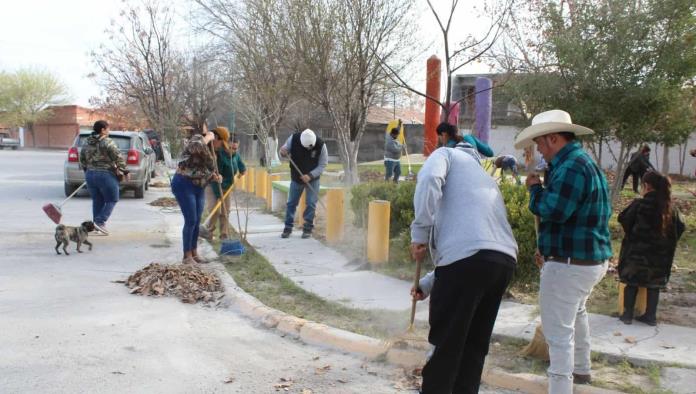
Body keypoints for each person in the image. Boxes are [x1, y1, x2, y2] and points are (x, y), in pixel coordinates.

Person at [409, 130, 518, 393]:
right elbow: (477, 247)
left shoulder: (446, 154)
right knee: (473, 347)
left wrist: (420, 233)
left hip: (469, 263)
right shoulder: (485, 176)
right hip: (502, 263)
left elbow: (430, 178)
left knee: (446, 345)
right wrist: (429, 282)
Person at [514, 109, 612, 393]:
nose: (541, 152)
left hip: (571, 265)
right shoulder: (579, 163)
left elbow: (553, 210)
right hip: (583, 259)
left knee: (558, 334)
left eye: (542, 144)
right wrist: (547, 249)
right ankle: (582, 370)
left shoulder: (571, 167)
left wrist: (534, 189)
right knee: (577, 314)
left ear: (554, 138)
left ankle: (560, 387)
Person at [618, 171, 685, 326]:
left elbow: (623, 219)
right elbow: (680, 226)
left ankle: (627, 315)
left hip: (637, 254)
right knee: (654, 285)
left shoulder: (639, 205)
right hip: (661, 257)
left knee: (632, 282)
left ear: (646, 186)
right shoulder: (670, 208)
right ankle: (650, 316)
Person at [171, 125, 221, 264]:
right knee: (191, 219)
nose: (222, 146)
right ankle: (186, 256)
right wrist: (208, 137)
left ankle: (194, 253)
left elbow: (202, 170)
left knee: (197, 220)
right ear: (216, 138)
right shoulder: (198, 140)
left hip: (199, 187)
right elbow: (196, 146)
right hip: (184, 184)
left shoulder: (211, 152)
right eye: (221, 142)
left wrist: (214, 177)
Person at [79, 120, 129, 235]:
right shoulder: (107, 142)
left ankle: (96, 227)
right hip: (105, 174)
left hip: (90, 175)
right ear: (102, 130)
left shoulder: (87, 141)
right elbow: (118, 157)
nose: (109, 131)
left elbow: (82, 158)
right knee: (112, 199)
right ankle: (100, 222)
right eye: (108, 128)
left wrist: (88, 171)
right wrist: (125, 171)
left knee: (97, 200)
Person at [279, 128, 328, 239]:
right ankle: (288, 228)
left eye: (310, 147)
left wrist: (310, 175)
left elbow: (323, 165)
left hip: (313, 179)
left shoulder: (321, 145)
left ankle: (307, 229)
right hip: (296, 177)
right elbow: (283, 151)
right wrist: (282, 152)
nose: (308, 149)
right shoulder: (293, 138)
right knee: (291, 203)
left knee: (311, 203)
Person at [204, 127, 246, 240]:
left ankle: (224, 234)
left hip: (227, 186)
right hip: (213, 185)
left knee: (225, 211)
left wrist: (242, 171)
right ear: (226, 144)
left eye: (236, 148)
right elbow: (214, 174)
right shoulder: (218, 154)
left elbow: (241, 166)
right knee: (214, 210)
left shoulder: (236, 155)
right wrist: (219, 192)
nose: (233, 150)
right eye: (231, 147)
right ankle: (208, 232)